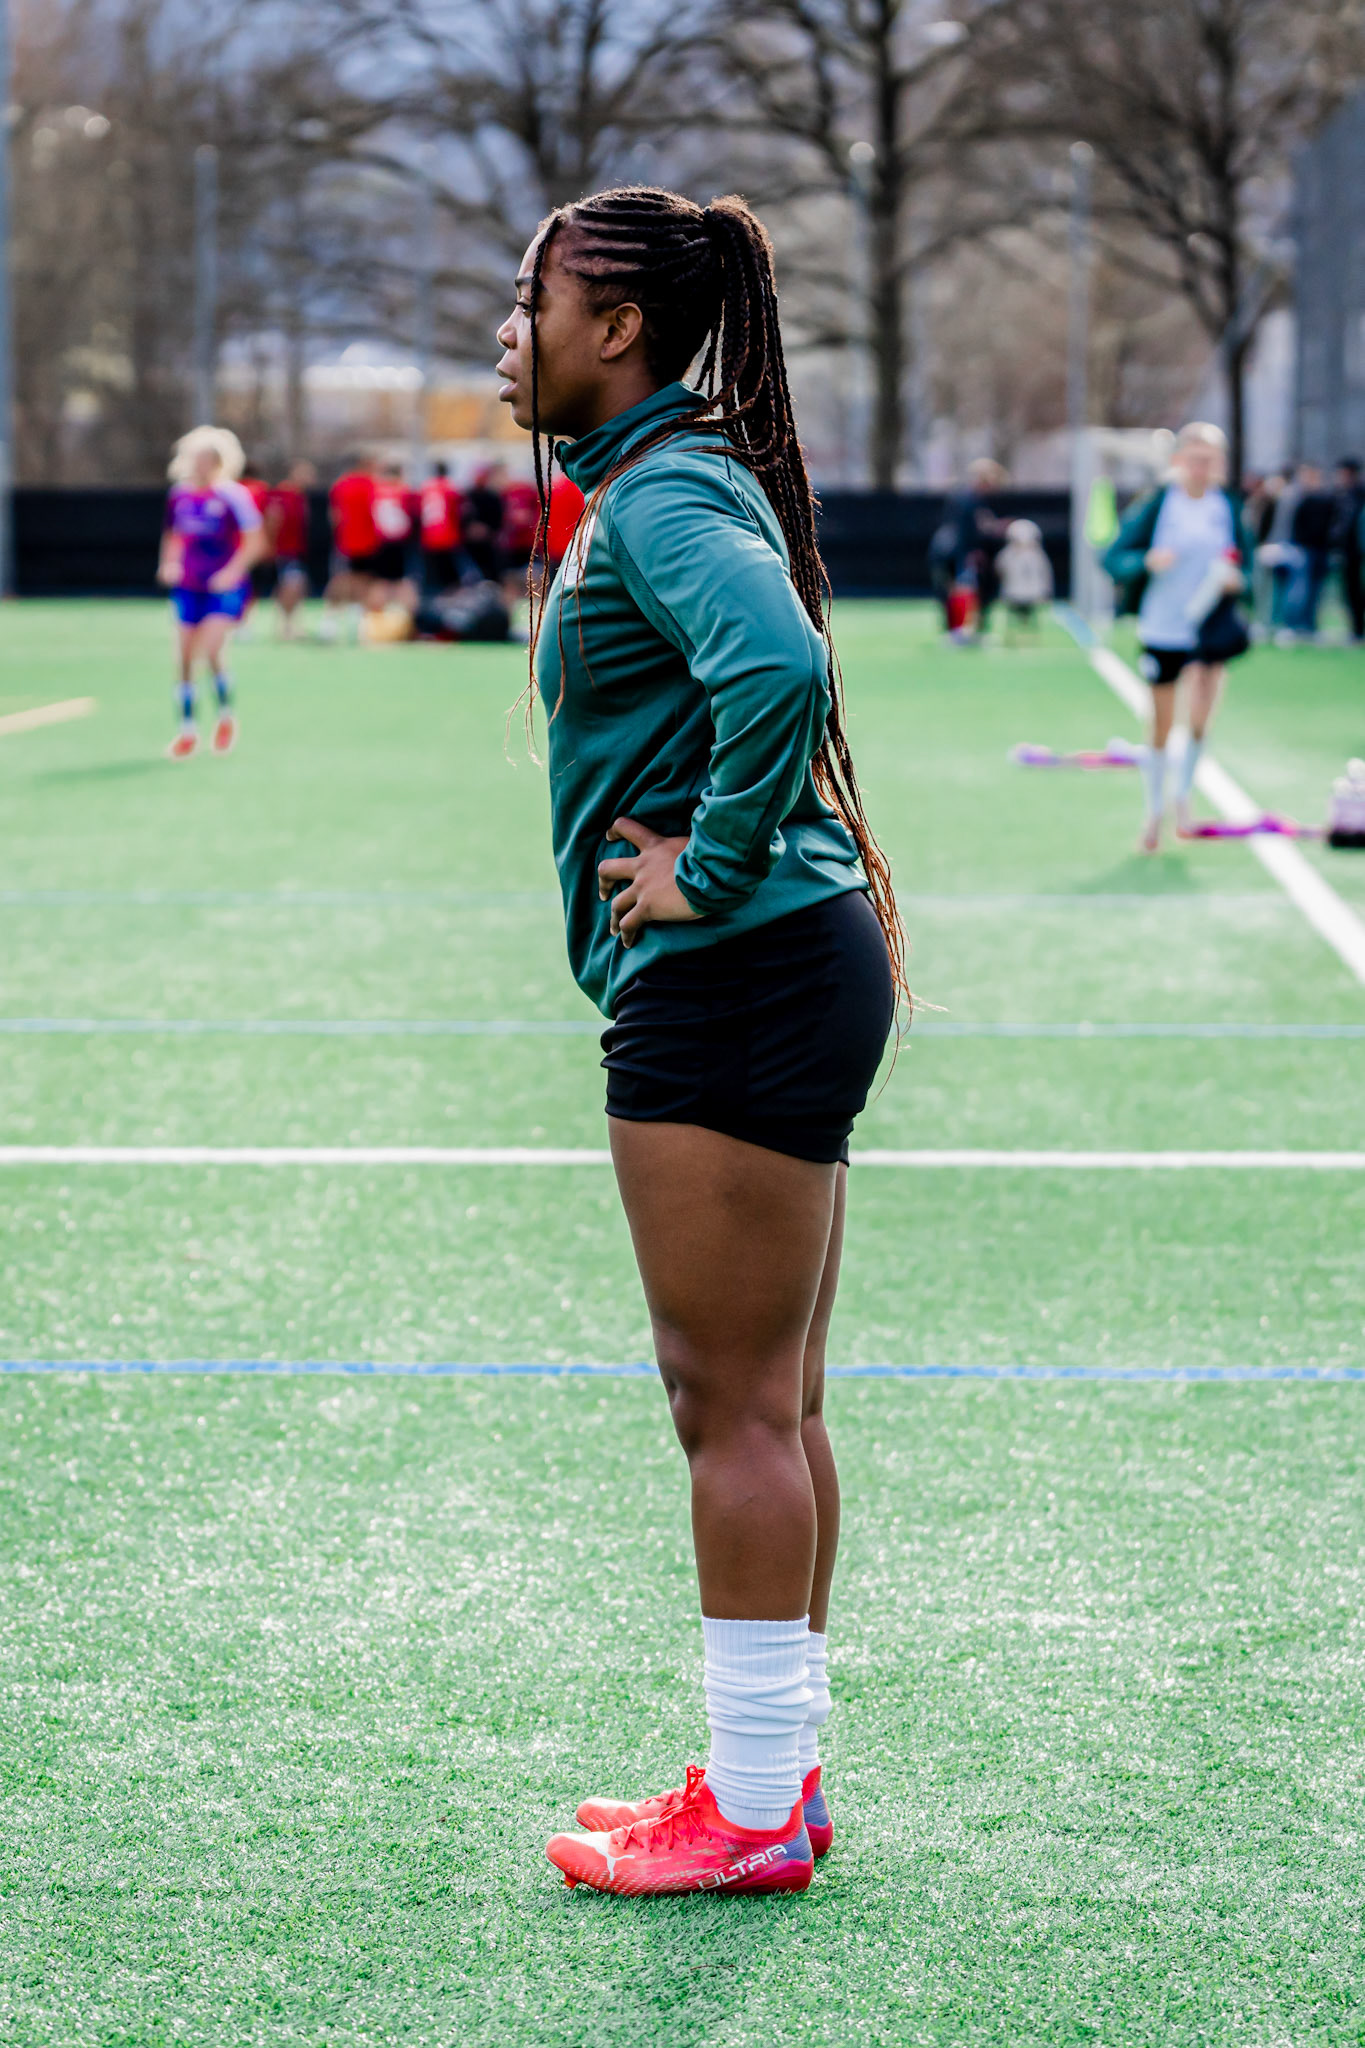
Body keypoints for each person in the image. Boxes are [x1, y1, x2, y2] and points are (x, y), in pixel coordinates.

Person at [494, 184, 903, 1899]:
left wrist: (705, 868)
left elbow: (781, 670)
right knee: (772, 1395)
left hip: (738, 964)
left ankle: (747, 1816)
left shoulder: (661, 492)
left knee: (725, 1399)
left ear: (623, 331)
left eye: (535, 303)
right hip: (777, 966)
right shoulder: (657, 481)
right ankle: (767, 1780)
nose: (510, 332)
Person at [1103, 421, 1252, 851]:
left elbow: (1246, 561)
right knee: (1162, 724)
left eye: (1210, 459)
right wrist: (1147, 561)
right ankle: (1154, 814)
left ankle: (1184, 800)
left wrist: (1236, 581)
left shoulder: (1226, 507)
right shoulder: (1157, 505)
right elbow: (1114, 557)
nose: (1202, 467)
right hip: (1163, 626)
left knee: (1202, 717)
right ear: (1179, 460)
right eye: (1194, 458)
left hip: (1209, 628)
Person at [156, 424, 266, 759]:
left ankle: (225, 716)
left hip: (224, 589)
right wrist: (169, 564)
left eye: (206, 459)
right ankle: (187, 730)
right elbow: (173, 537)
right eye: (195, 458)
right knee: (185, 657)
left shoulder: (234, 496)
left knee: (212, 649)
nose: (199, 465)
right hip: (189, 586)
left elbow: (255, 543)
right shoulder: (180, 495)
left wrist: (231, 573)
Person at [323, 454, 379, 641]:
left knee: (344, 580)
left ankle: (333, 621)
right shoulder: (372, 484)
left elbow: (333, 516)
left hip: (347, 542)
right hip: (366, 542)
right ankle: (356, 622)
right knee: (360, 581)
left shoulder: (340, 484)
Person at [266, 460, 315, 638]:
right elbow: (273, 520)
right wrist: (271, 546)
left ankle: (290, 625)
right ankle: (286, 627)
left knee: (294, 587)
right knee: (292, 586)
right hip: (284, 551)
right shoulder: (283, 494)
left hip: (297, 550)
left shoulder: (301, 496)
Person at [1287, 462, 1334, 639]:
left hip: (1320, 550)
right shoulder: (1299, 498)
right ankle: (1294, 625)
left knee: (1315, 590)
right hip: (1303, 550)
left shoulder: (1325, 498)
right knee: (1299, 589)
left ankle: (1310, 625)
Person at [996, 517, 1053, 641]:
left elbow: (1045, 575)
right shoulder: (1009, 554)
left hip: (1029, 594)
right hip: (1015, 594)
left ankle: (1026, 634)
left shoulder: (1036, 555)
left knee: (1026, 615)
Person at [370, 458, 419, 603]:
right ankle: (400, 609)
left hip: (381, 540)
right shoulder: (403, 491)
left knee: (383, 579)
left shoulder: (377, 491)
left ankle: (382, 606)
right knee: (400, 579)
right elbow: (413, 513)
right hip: (400, 540)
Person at [1332, 458, 1365, 643]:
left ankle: (1358, 629)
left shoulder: (1358, 495)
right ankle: (1356, 629)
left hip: (1358, 553)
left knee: (1357, 592)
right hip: (1348, 552)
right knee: (1350, 592)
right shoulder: (1344, 495)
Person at [418, 459, 463, 593]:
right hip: (447, 536)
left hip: (429, 537)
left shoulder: (426, 487)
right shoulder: (449, 487)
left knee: (434, 575)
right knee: (451, 575)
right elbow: (457, 512)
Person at [462, 463, 505, 581]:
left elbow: (498, 518)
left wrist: (488, 530)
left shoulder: (493, 497)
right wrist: (471, 528)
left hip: (488, 541)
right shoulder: (467, 495)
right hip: (470, 542)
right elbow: (463, 517)